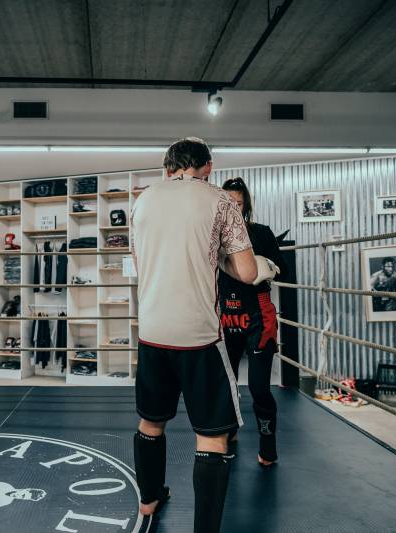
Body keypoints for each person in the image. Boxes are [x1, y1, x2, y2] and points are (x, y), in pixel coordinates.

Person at [131, 137, 259, 533]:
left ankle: (149, 500)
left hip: (151, 331)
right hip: (199, 336)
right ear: (207, 166)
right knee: (212, 437)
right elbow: (249, 272)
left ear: (168, 166)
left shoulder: (143, 199)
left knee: (150, 423)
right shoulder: (220, 200)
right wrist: (220, 256)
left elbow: (139, 261)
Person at [219, 177, 285, 466]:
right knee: (226, 383)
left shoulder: (260, 233)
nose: (234, 207)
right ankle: (228, 431)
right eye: (229, 202)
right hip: (225, 317)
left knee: (259, 387)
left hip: (259, 317)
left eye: (238, 202)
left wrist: (259, 267)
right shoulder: (214, 236)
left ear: (245, 204)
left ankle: (267, 446)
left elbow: (278, 269)